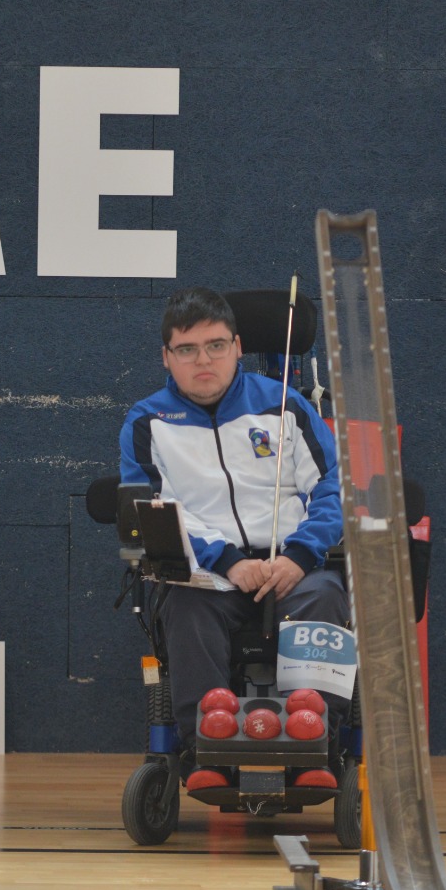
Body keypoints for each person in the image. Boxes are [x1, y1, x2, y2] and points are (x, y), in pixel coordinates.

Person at [120, 287, 348, 791]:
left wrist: (298, 556)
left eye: (216, 346)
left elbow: (331, 490)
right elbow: (156, 512)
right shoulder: (147, 423)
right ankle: (207, 752)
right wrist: (226, 561)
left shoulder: (286, 407)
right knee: (184, 605)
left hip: (294, 568)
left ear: (237, 347)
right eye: (187, 349)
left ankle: (315, 749)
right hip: (208, 574)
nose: (203, 360)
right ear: (166, 356)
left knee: (326, 597)